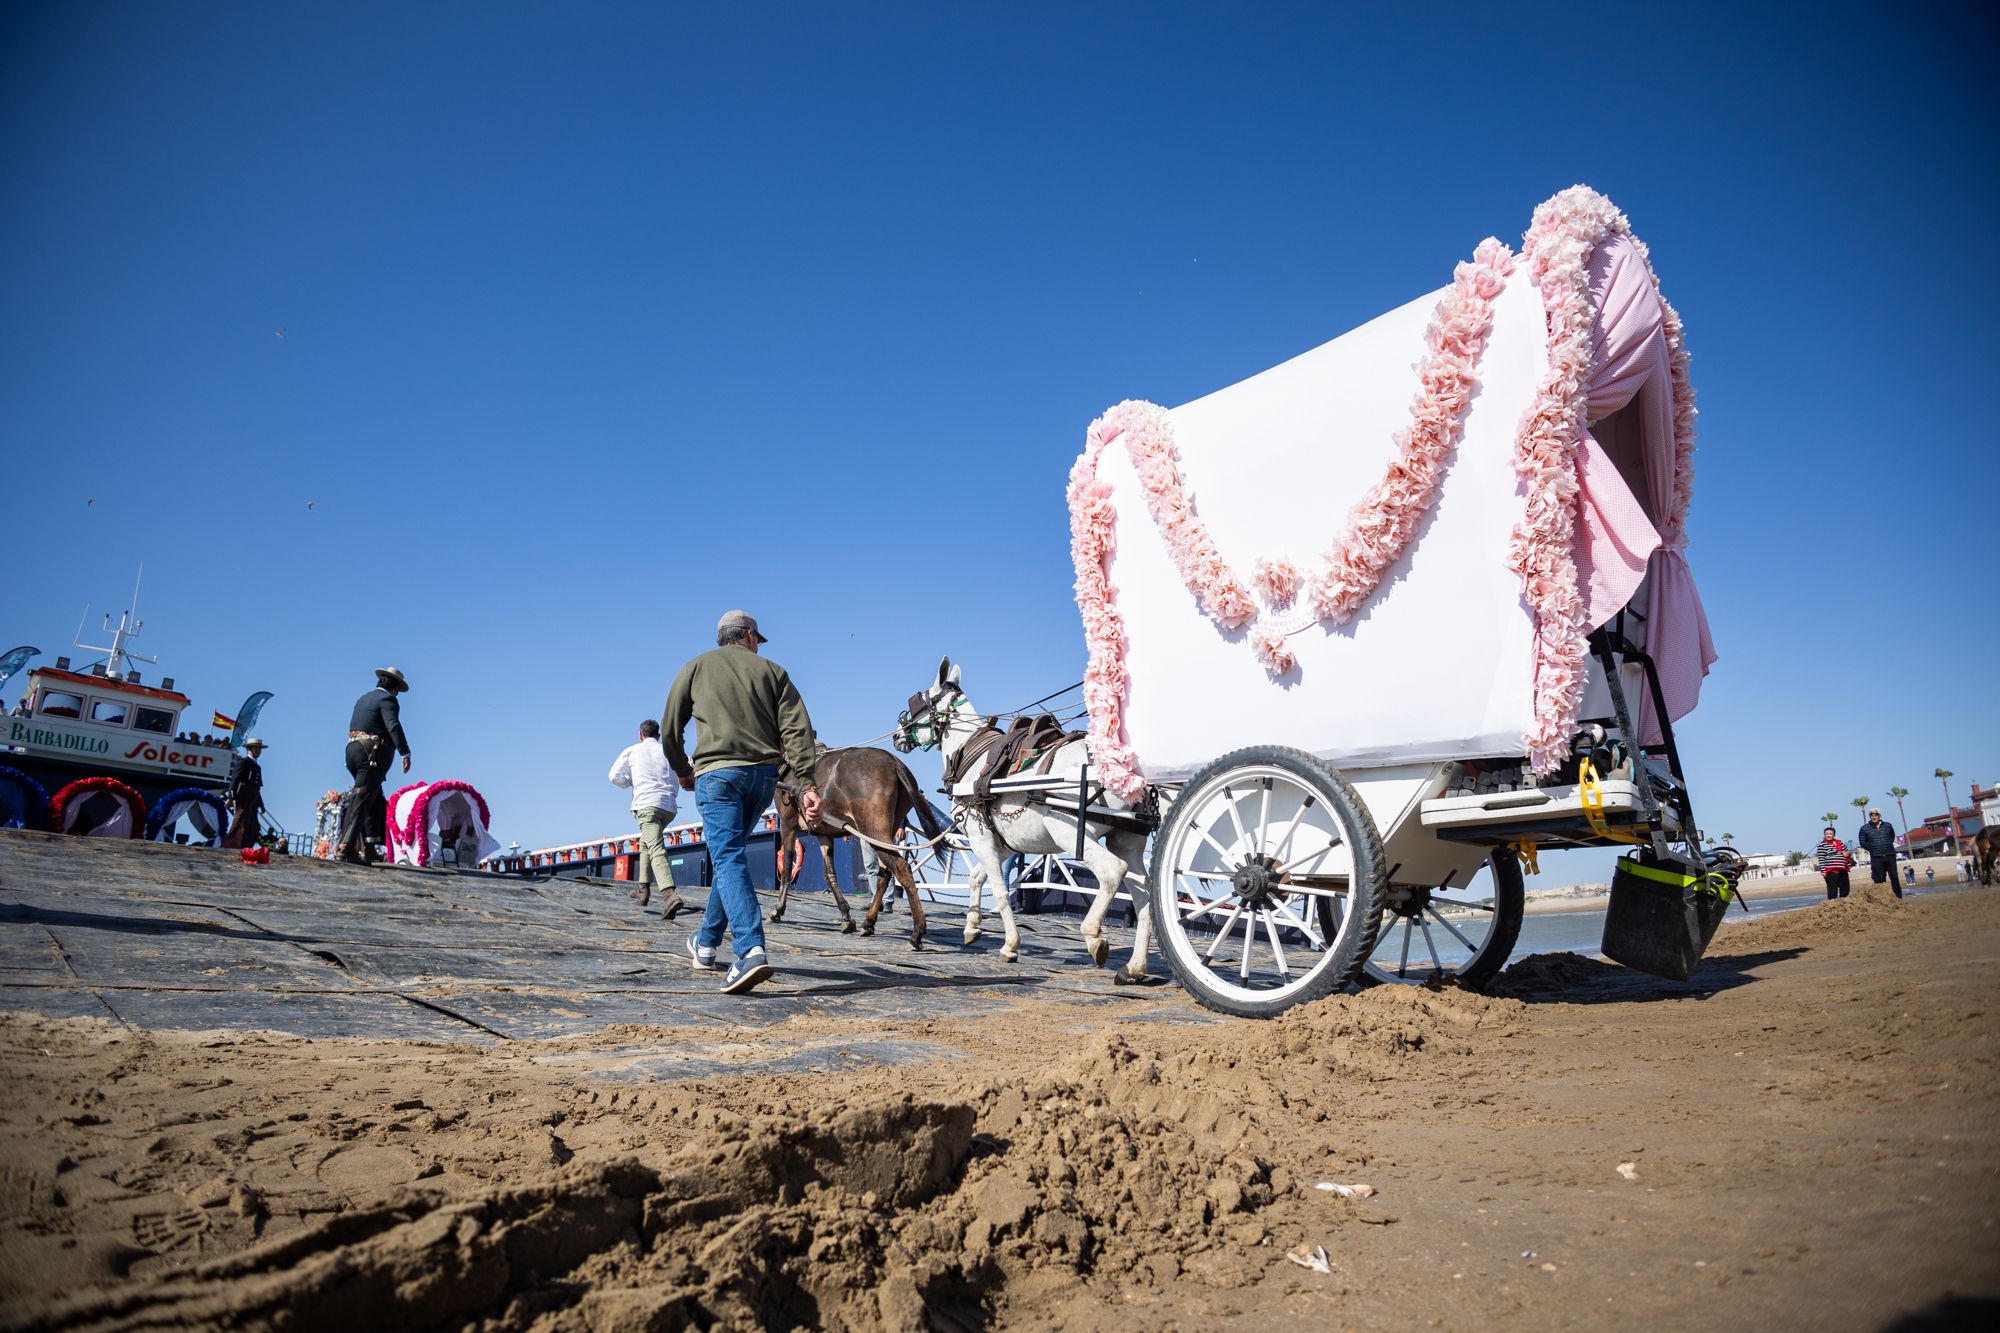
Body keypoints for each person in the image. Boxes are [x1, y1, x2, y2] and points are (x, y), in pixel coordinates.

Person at [661, 610, 821, 995]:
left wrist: (683, 770)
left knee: (727, 857)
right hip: (763, 779)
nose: (758, 646)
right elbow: (797, 730)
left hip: (717, 775)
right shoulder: (774, 672)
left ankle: (750, 950)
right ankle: (705, 943)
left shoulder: (694, 667)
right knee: (729, 856)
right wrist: (808, 784)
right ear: (748, 635)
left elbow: (669, 729)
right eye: (758, 640)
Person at [609, 719, 686, 919]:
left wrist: (631, 782)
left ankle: (669, 895)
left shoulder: (633, 750)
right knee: (646, 843)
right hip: (668, 807)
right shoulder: (668, 750)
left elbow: (614, 776)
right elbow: (688, 766)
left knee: (656, 848)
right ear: (658, 736)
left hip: (647, 806)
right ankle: (643, 890)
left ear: (640, 735)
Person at [337, 667, 412, 864]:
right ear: (395, 688)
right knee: (362, 798)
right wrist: (404, 751)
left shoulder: (363, 699)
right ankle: (346, 847)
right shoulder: (388, 700)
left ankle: (370, 848)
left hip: (352, 751)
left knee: (375, 799)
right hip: (370, 753)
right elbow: (392, 725)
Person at [221, 738, 268, 849]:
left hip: (253, 799)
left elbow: (257, 787)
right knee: (240, 823)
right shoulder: (243, 762)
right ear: (249, 749)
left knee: (254, 826)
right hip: (243, 797)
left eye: (259, 748)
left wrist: (261, 804)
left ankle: (246, 847)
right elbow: (235, 780)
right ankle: (229, 846)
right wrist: (231, 798)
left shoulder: (257, 767)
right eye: (256, 748)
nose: (258, 751)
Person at [1855, 807, 1902, 900]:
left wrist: (1887, 844)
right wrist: (1872, 848)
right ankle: (1881, 899)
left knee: (1894, 877)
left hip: (1890, 855)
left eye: (1876, 814)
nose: (1874, 817)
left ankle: (1898, 898)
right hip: (1876, 857)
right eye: (1872, 815)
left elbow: (1891, 837)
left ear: (1879, 816)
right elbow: (1862, 842)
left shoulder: (1887, 825)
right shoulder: (1864, 829)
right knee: (1879, 879)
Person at [1814, 825, 1853, 900]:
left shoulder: (1840, 842)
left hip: (1842, 868)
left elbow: (1847, 852)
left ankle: (1844, 902)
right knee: (1832, 889)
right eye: (1826, 834)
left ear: (1834, 835)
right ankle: (1832, 903)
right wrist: (1823, 871)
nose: (1828, 835)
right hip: (1831, 870)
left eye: (1830, 834)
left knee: (1845, 887)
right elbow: (1821, 859)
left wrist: (1847, 854)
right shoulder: (1822, 845)